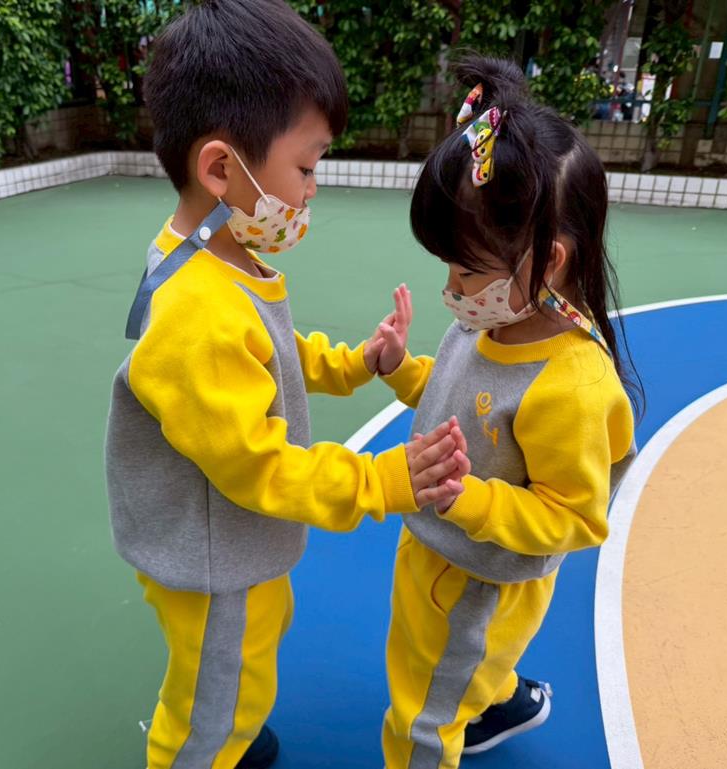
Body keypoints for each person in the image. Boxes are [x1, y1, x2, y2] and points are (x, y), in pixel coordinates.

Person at [104, 2, 468, 767]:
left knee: (243, 664)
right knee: (213, 707)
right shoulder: (199, 311)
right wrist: (385, 478)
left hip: (232, 545)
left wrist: (355, 362)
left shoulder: (214, 254)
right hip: (216, 557)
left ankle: (232, 726)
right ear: (219, 168)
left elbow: (272, 352)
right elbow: (259, 466)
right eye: (305, 167)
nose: (311, 189)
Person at [366, 56, 639, 768]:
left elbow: (573, 518)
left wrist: (468, 499)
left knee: (422, 717)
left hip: (475, 581)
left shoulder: (569, 386)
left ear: (547, 262)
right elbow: (459, 395)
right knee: (447, 670)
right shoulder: (492, 315)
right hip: (443, 544)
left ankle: (466, 708)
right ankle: (496, 696)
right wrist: (401, 371)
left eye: (466, 268)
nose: (452, 287)